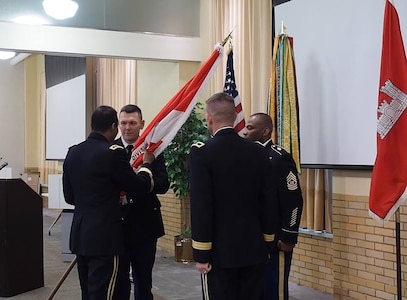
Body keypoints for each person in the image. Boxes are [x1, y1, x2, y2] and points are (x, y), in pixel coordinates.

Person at [189, 92, 277, 300]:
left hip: (218, 253)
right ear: (236, 117)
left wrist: (201, 253)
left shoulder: (202, 152)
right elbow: (268, 201)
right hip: (253, 249)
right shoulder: (258, 152)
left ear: (209, 118)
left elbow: (202, 205)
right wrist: (267, 243)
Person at [62, 105, 155, 300]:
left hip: (81, 235)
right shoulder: (113, 153)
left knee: (88, 291)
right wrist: (146, 166)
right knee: (106, 292)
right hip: (105, 238)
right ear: (114, 126)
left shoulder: (73, 152)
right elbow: (137, 186)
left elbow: (69, 197)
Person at [243, 112, 303, 300]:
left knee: (273, 289)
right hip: (253, 238)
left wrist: (288, 234)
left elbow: (293, 200)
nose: (245, 132)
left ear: (265, 131)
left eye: (251, 128)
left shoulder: (278, 158)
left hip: (276, 239)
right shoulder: (246, 156)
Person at [113, 104, 170, 300]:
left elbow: (163, 183)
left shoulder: (152, 150)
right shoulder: (110, 150)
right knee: (119, 281)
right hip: (117, 225)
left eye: (132, 123)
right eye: (123, 123)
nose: (127, 128)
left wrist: (142, 182)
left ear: (142, 124)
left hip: (145, 224)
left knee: (143, 280)